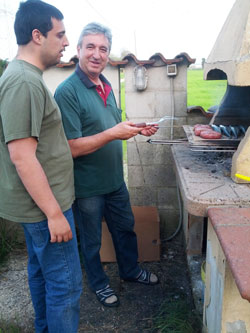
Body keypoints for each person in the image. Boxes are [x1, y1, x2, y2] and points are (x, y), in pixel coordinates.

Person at [54, 22, 159, 308]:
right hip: (87, 186)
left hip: (115, 180)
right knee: (90, 241)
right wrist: (114, 133)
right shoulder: (67, 92)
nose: (97, 54)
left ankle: (130, 271)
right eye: (91, 47)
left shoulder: (106, 84)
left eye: (103, 49)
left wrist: (137, 128)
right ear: (78, 50)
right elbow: (71, 147)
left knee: (125, 229)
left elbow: (111, 124)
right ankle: (99, 284)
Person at [0, 1, 82, 331]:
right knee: (66, 286)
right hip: (45, 211)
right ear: (37, 35)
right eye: (60, 34)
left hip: (40, 208)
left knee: (43, 277)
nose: (65, 42)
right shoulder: (24, 82)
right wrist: (54, 214)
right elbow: (22, 156)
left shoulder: (24, 76)